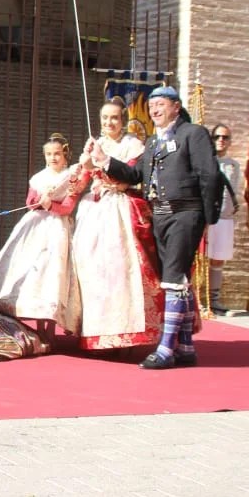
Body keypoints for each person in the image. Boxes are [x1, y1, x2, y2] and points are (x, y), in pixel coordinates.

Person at [86, 85, 223, 369]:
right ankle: (185, 345)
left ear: (175, 106)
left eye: (160, 105)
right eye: (151, 107)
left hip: (185, 213)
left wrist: (208, 218)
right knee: (176, 278)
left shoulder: (193, 134)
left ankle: (166, 348)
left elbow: (210, 175)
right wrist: (105, 161)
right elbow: (136, 174)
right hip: (159, 216)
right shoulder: (152, 142)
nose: (155, 110)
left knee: (173, 278)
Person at [72, 99, 165, 350]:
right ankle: (94, 331)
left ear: (122, 120)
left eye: (114, 117)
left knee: (122, 270)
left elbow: (132, 177)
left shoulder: (132, 145)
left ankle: (126, 330)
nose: (109, 122)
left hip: (120, 209)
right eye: (105, 118)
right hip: (95, 209)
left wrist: (104, 163)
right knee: (93, 270)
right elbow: (79, 180)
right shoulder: (95, 144)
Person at [0, 134, 85, 329]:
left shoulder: (71, 176)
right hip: (35, 225)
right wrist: (39, 202)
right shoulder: (38, 178)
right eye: (49, 154)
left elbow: (68, 206)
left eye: (57, 154)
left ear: (65, 154)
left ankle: (50, 321)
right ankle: (20, 311)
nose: (53, 158)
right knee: (27, 264)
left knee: (52, 270)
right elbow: (30, 202)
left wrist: (51, 205)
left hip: (58, 226)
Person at [207, 123, 242, 313]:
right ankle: (200, 298)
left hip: (224, 217)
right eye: (217, 137)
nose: (221, 141)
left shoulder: (233, 166)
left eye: (225, 137)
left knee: (218, 259)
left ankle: (214, 299)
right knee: (202, 259)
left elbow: (234, 190)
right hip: (206, 217)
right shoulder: (204, 161)